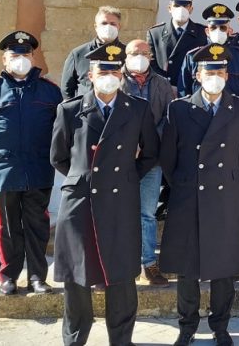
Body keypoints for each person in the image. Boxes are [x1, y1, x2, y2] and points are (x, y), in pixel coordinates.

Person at [50, 43, 159, 346]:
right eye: (103, 71)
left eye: (115, 70)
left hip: (120, 201)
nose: (109, 76)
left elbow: (150, 153)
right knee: (77, 277)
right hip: (80, 202)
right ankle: (75, 338)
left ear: (121, 73)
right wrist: (81, 178)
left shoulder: (137, 108)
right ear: (90, 75)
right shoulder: (70, 109)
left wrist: (125, 179)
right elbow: (58, 157)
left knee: (122, 274)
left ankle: (121, 339)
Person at [159, 44, 239, 346]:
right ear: (197, 75)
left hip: (224, 195)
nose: (215, 76)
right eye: (209, 72)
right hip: (188, 195)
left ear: (227, 75)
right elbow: (168, 157)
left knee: (223, 267)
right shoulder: (179, 108)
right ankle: (187, 325)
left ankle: (220, 325)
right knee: (187, 269)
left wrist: (230, 181)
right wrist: (185, 183)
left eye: (220, 72)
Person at [0, 31, 62, 295]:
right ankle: (8, 276)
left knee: (37, 227)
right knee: (6, 226)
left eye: (25, 54)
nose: (21, 59)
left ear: (33, 56)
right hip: (2, 172)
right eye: (15, 55)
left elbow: (61, 127)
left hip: (38, 170)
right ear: (5, 58)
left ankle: (37, 278)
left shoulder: (50, 91)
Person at [120, 39, 175, 287]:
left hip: (152, 160)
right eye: (134, 53)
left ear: (151, 57)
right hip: (122, 159)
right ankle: (123, 263)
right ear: (126, 56)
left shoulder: (162, 84)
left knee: (147, 214)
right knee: (121, 212)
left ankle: (148, 264)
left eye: (144, 53)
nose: (140, 56)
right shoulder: (116, 81)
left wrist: (150, 142)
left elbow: (167, 117)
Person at [177, 3, 239, 98]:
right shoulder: (192, 57)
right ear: (207, 31)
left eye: (222, 28)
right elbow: (184, 93)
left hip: (234, 111)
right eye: (213, 28)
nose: (218, 31)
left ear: (229, 31)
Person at [147, 0, 208, 86]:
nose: (181, 9)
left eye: (185, 6)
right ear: (169, 8)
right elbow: (152, 64)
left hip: (190, 88)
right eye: (176, 5)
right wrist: (167, 86)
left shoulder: (202, 32)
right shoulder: (155, 33)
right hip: (164, 88)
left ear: (191, 9)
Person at [60, 5, 125, 99]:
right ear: (96, 26)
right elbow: (67, 89)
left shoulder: (127, 54)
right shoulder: (78, 53)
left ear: (119, 26)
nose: (108, 27)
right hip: (86, 110)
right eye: (104, 23)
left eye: (112, 24)